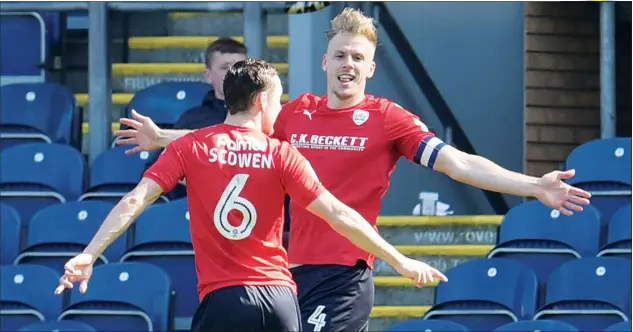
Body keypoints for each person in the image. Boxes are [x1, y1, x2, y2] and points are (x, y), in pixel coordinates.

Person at [113, 8, 592, 332]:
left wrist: (533, 185)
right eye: (340, 55)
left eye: (358, 58)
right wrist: (162, 140)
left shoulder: (389, 119)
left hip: (344, 277)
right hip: (282, 279)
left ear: (371, 67)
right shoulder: (294, 113)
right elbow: (230, 142)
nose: (348, 65)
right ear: (325, 61)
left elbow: (459, 162)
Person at [54, 59, 448, 332]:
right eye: (277, 101)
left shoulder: (191, 147)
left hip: (225, 299)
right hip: (279, 298)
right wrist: (398, 260)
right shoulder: (281, 152)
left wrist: (90, 253)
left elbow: (135, 200)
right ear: (261, 101)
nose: (280, 110)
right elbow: (338, 214)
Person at [143, 38, 248, 200]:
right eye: (225, 68)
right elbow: (156, 170)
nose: (235, 74)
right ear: (208, 75)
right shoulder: (192, 119)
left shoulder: (265, 117)